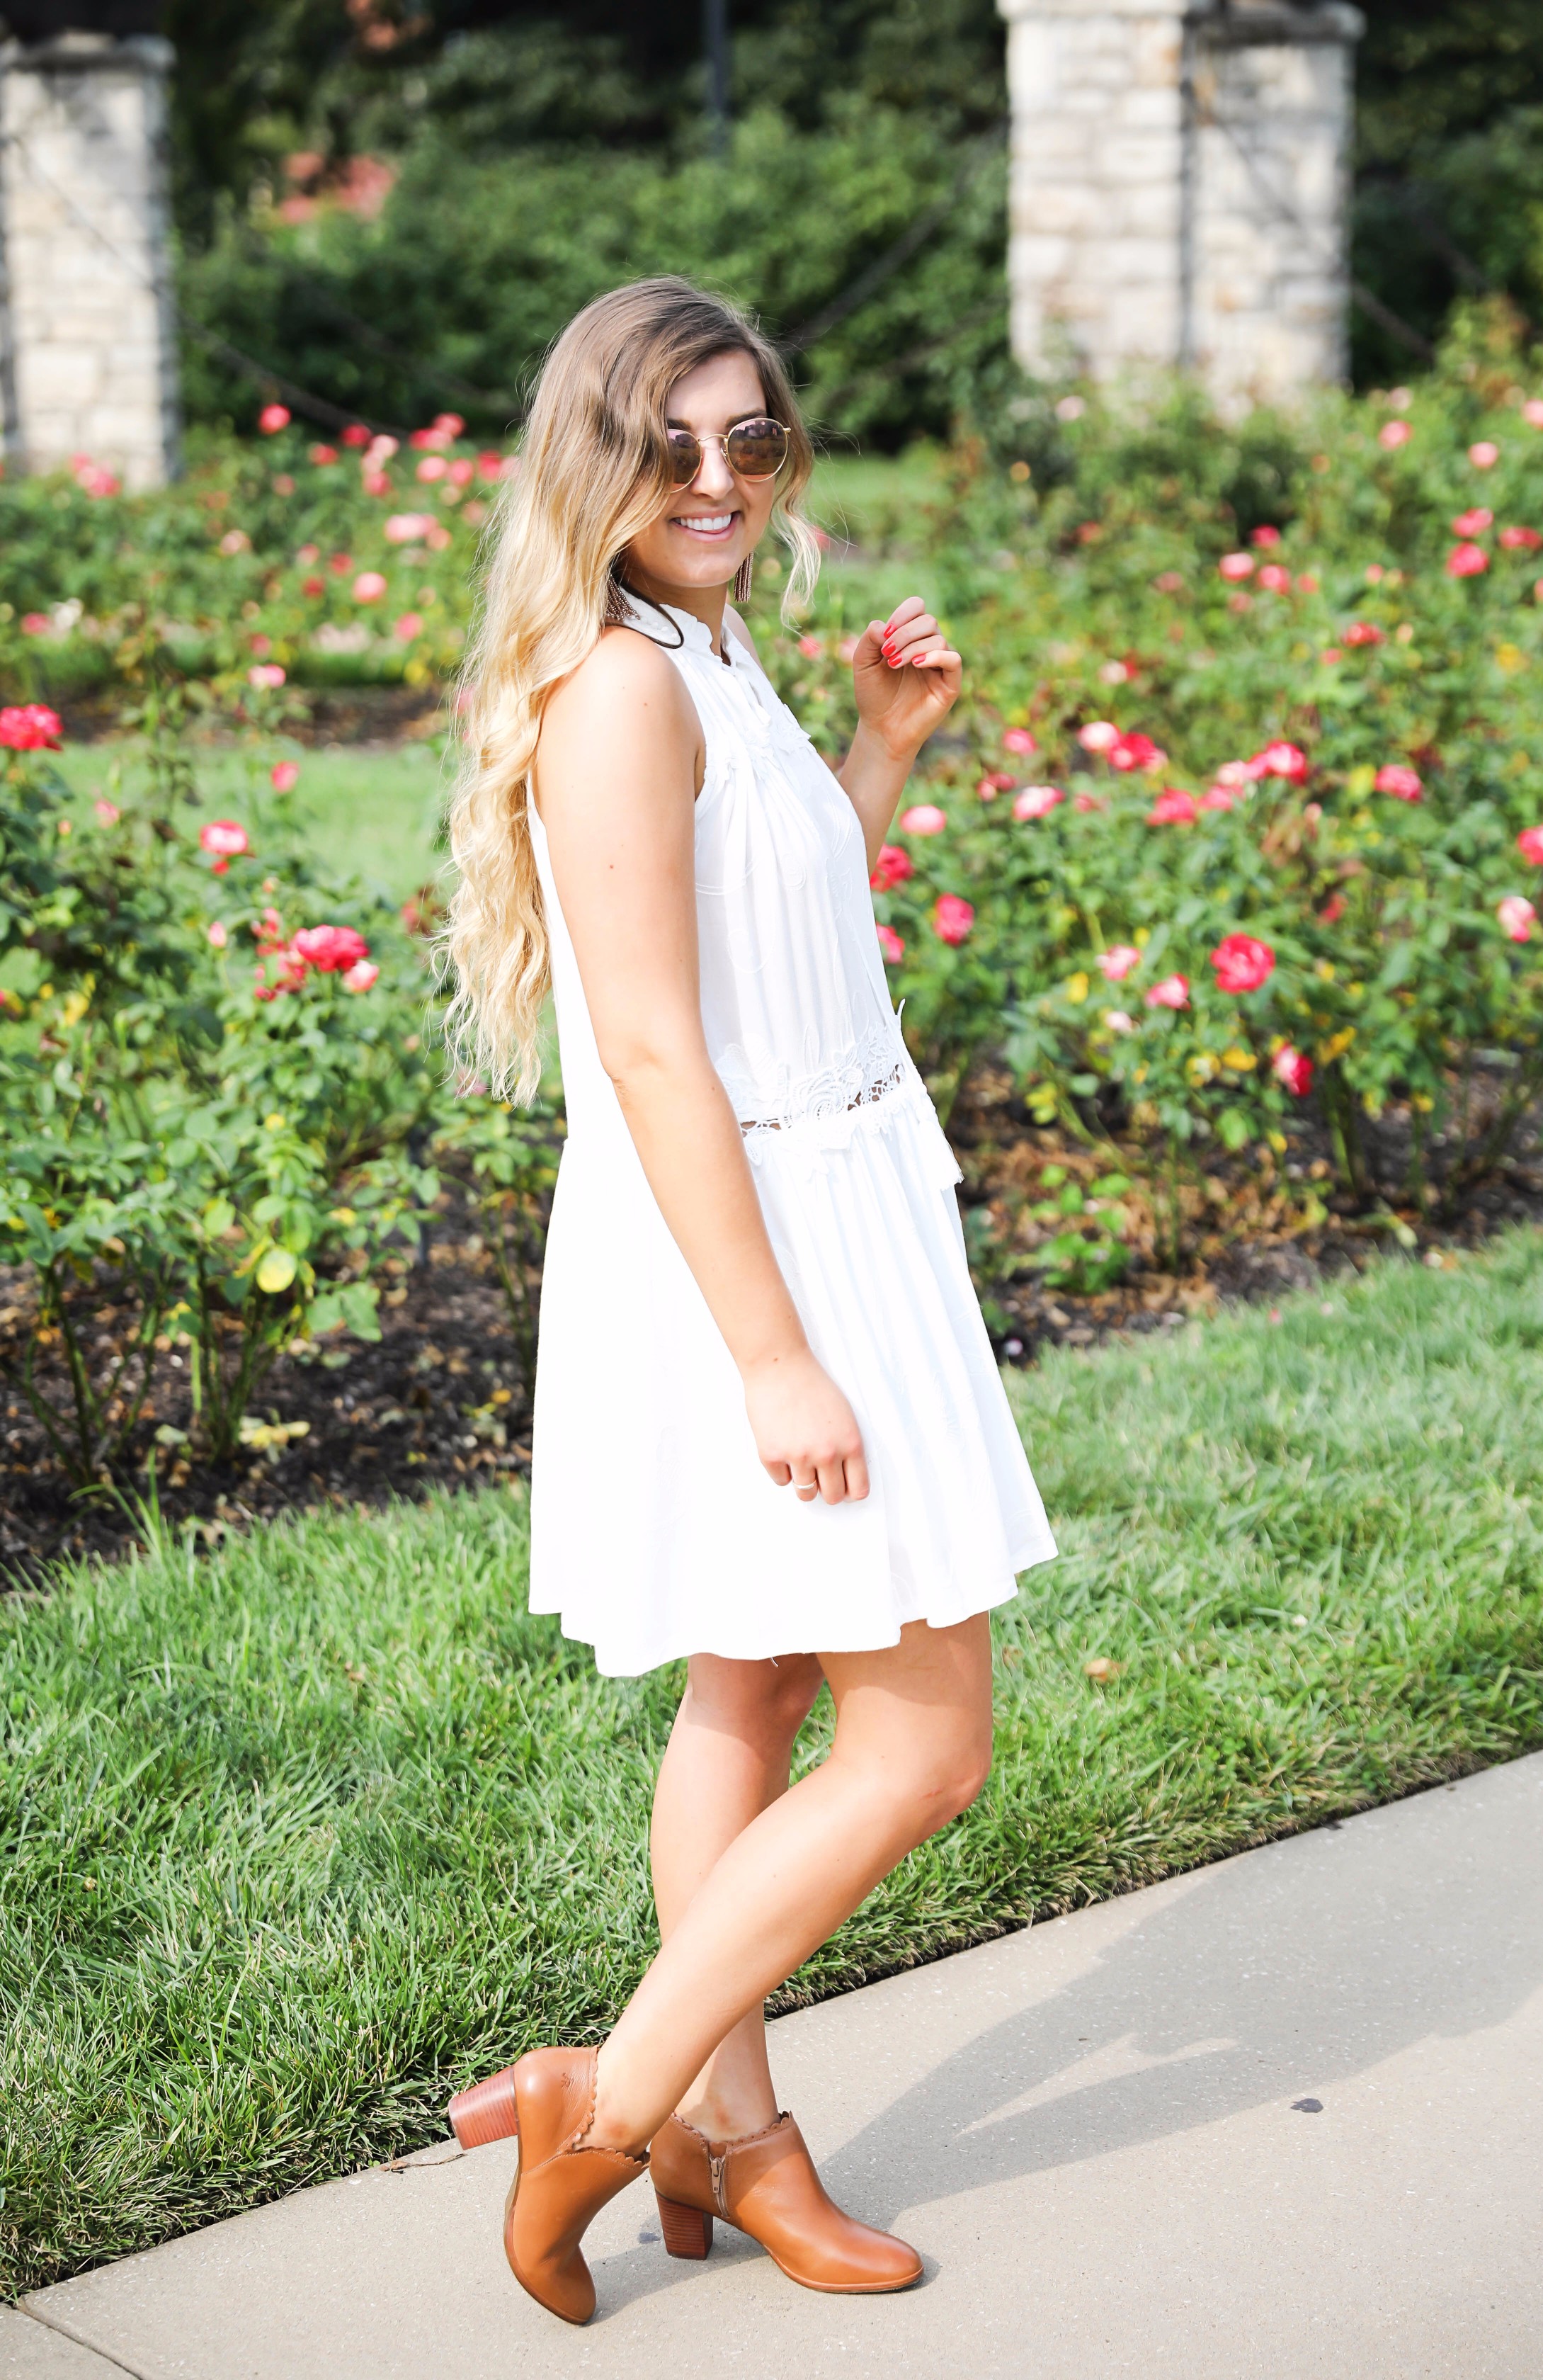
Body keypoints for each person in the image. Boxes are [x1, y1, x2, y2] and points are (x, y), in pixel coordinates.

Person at [440, 276, 1055, 2325]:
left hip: (832, 1187)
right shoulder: (620, 688)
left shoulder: (711, 650)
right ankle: (607, 2097)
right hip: (750, 1249)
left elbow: (778, 945)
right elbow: (649, 1052)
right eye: (669, 444)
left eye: (751, 441)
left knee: (753, 1696)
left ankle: (734, 2132)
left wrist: (877, 758)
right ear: (593, 466)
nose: (716, 480)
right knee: (925, 1743)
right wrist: (777, 1349)